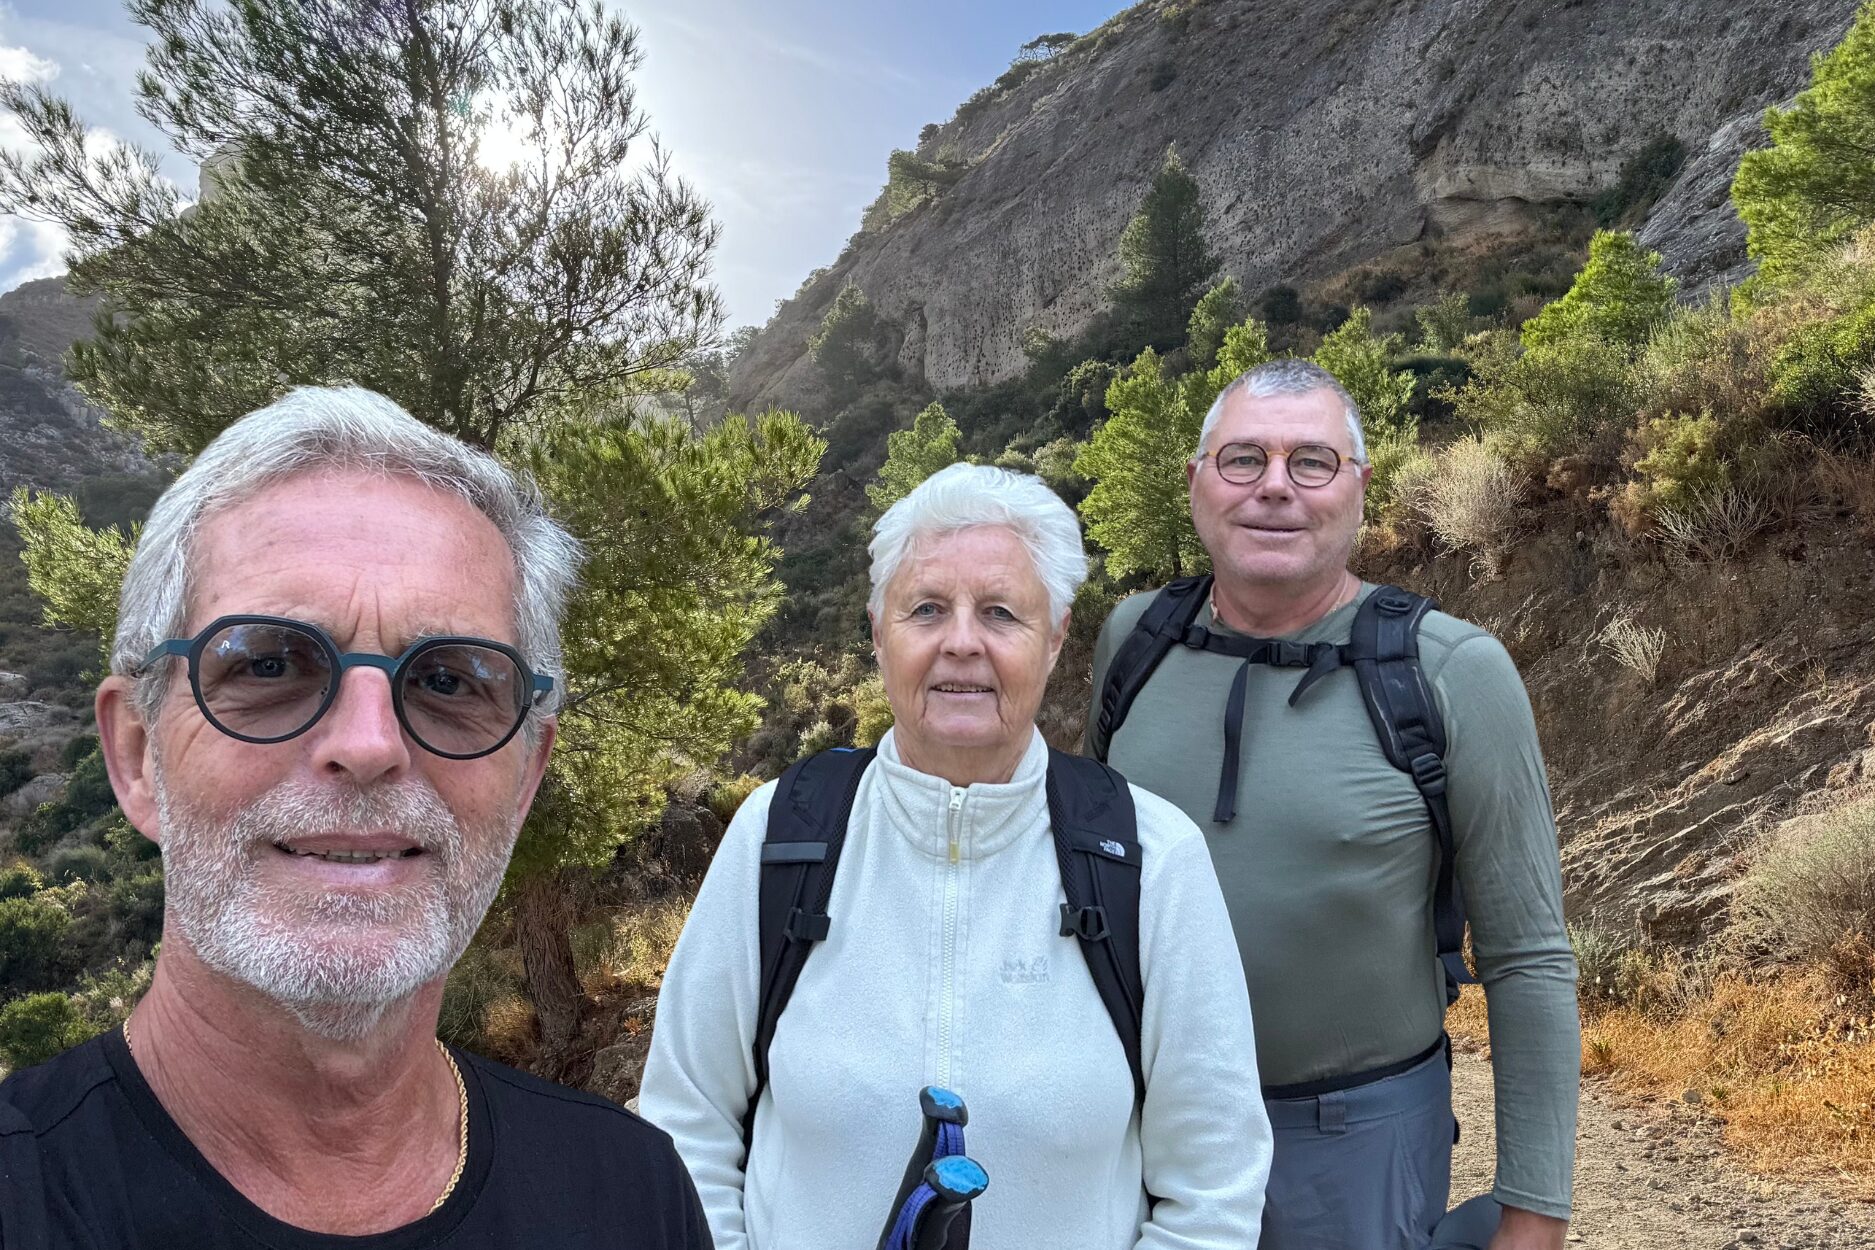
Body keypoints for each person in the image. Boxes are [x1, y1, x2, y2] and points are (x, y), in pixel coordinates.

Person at [0, 387, 711, 1249]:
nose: (369, 744)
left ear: (525, 778)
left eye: (449, 680)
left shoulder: (630, 1193)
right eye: (266, 664)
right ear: (137, 755)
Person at [640, 462, 1271, 1249]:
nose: (961, 643)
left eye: (1001, 613)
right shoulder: (780, 835)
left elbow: (1213, 1186)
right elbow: (685, 1127)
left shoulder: (1152, 858)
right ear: (878, 632)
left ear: (1055, 635)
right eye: (926, 609)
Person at [1086, 359, 1579, 1250]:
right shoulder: (1133, 641)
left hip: (1354, 1146)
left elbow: (1528, 955)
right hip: (1137, 1128)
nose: (1274, 487)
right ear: (1197, 481)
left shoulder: (1451, 672)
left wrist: (1535, 1208)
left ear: (1357, 489)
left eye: (1310, 461)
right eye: (1242, 459)